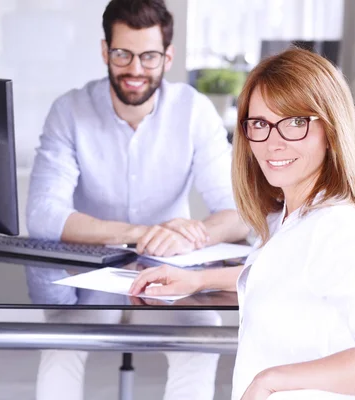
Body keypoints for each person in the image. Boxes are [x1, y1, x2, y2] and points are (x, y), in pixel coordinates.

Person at [129, 47, 355, 400]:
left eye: (295, 122)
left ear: (330, 131)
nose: (273, 142)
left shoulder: (336, 228)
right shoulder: (291, 216)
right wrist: (199, 279)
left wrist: (272, 379)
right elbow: (281, 275)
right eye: (260, 124)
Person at [26, 0, 249, 399]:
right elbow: (44, 215)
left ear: (168, 57)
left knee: (202, 341)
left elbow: (240, 212)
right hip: (90, 273)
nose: (134, 69)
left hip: (173, 270)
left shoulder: (194, 111)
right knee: (59, 346)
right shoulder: (70, 111)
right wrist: (144, 232)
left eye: (148, 56)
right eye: (122, 54)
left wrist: (191, 234)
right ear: (104, 51)